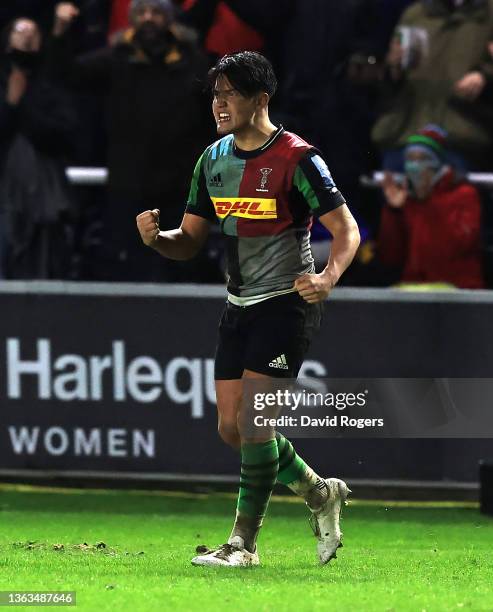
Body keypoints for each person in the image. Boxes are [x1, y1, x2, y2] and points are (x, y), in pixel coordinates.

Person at [136, 51, 360, 567]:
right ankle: (320, 493)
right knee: (231, 430)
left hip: (285, 304)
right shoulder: (212, 161)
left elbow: (346, 230)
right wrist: (157, 239)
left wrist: (328, 277)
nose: (218, 104)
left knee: (255, 425)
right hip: (237, 306)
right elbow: (189, 241)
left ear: (261, 99)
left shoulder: (298, 158)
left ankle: (243, 545)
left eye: (229, 94)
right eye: (215, 95)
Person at [51, 0, 214, 282]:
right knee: (126, 264)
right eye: (142, 13)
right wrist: (60, 32)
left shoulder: (194, 62)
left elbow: (213, 116)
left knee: (180, 265)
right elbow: (68, 74)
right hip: (129, 183)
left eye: (156, 13)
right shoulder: (115, 58)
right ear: (132, 19)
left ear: (169, 18)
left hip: (180, 185)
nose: (148, 19)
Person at [372, 0, 493, 172]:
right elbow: (390, 84)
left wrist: (484, 76)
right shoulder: (415, 13)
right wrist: (394, 68)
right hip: (407, 131)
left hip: (463, 136)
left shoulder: (489, 13)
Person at [0, 16, 77, 279]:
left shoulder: (49, 83)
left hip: (43, 188)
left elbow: (64, 132)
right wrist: (9, 104)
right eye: (20, 30)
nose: (27, 35)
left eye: (34, 31)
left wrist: (20, 104)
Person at [378, 125, 484, 288]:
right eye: (410, 159)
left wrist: (429, 201)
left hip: (458, 288)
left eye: (422, 159)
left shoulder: (465, 195)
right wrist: (394, 211)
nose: (415, 166)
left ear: (438, 164)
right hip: (415, 287)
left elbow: (455, 247)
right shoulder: (407, 199)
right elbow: (391, 256)